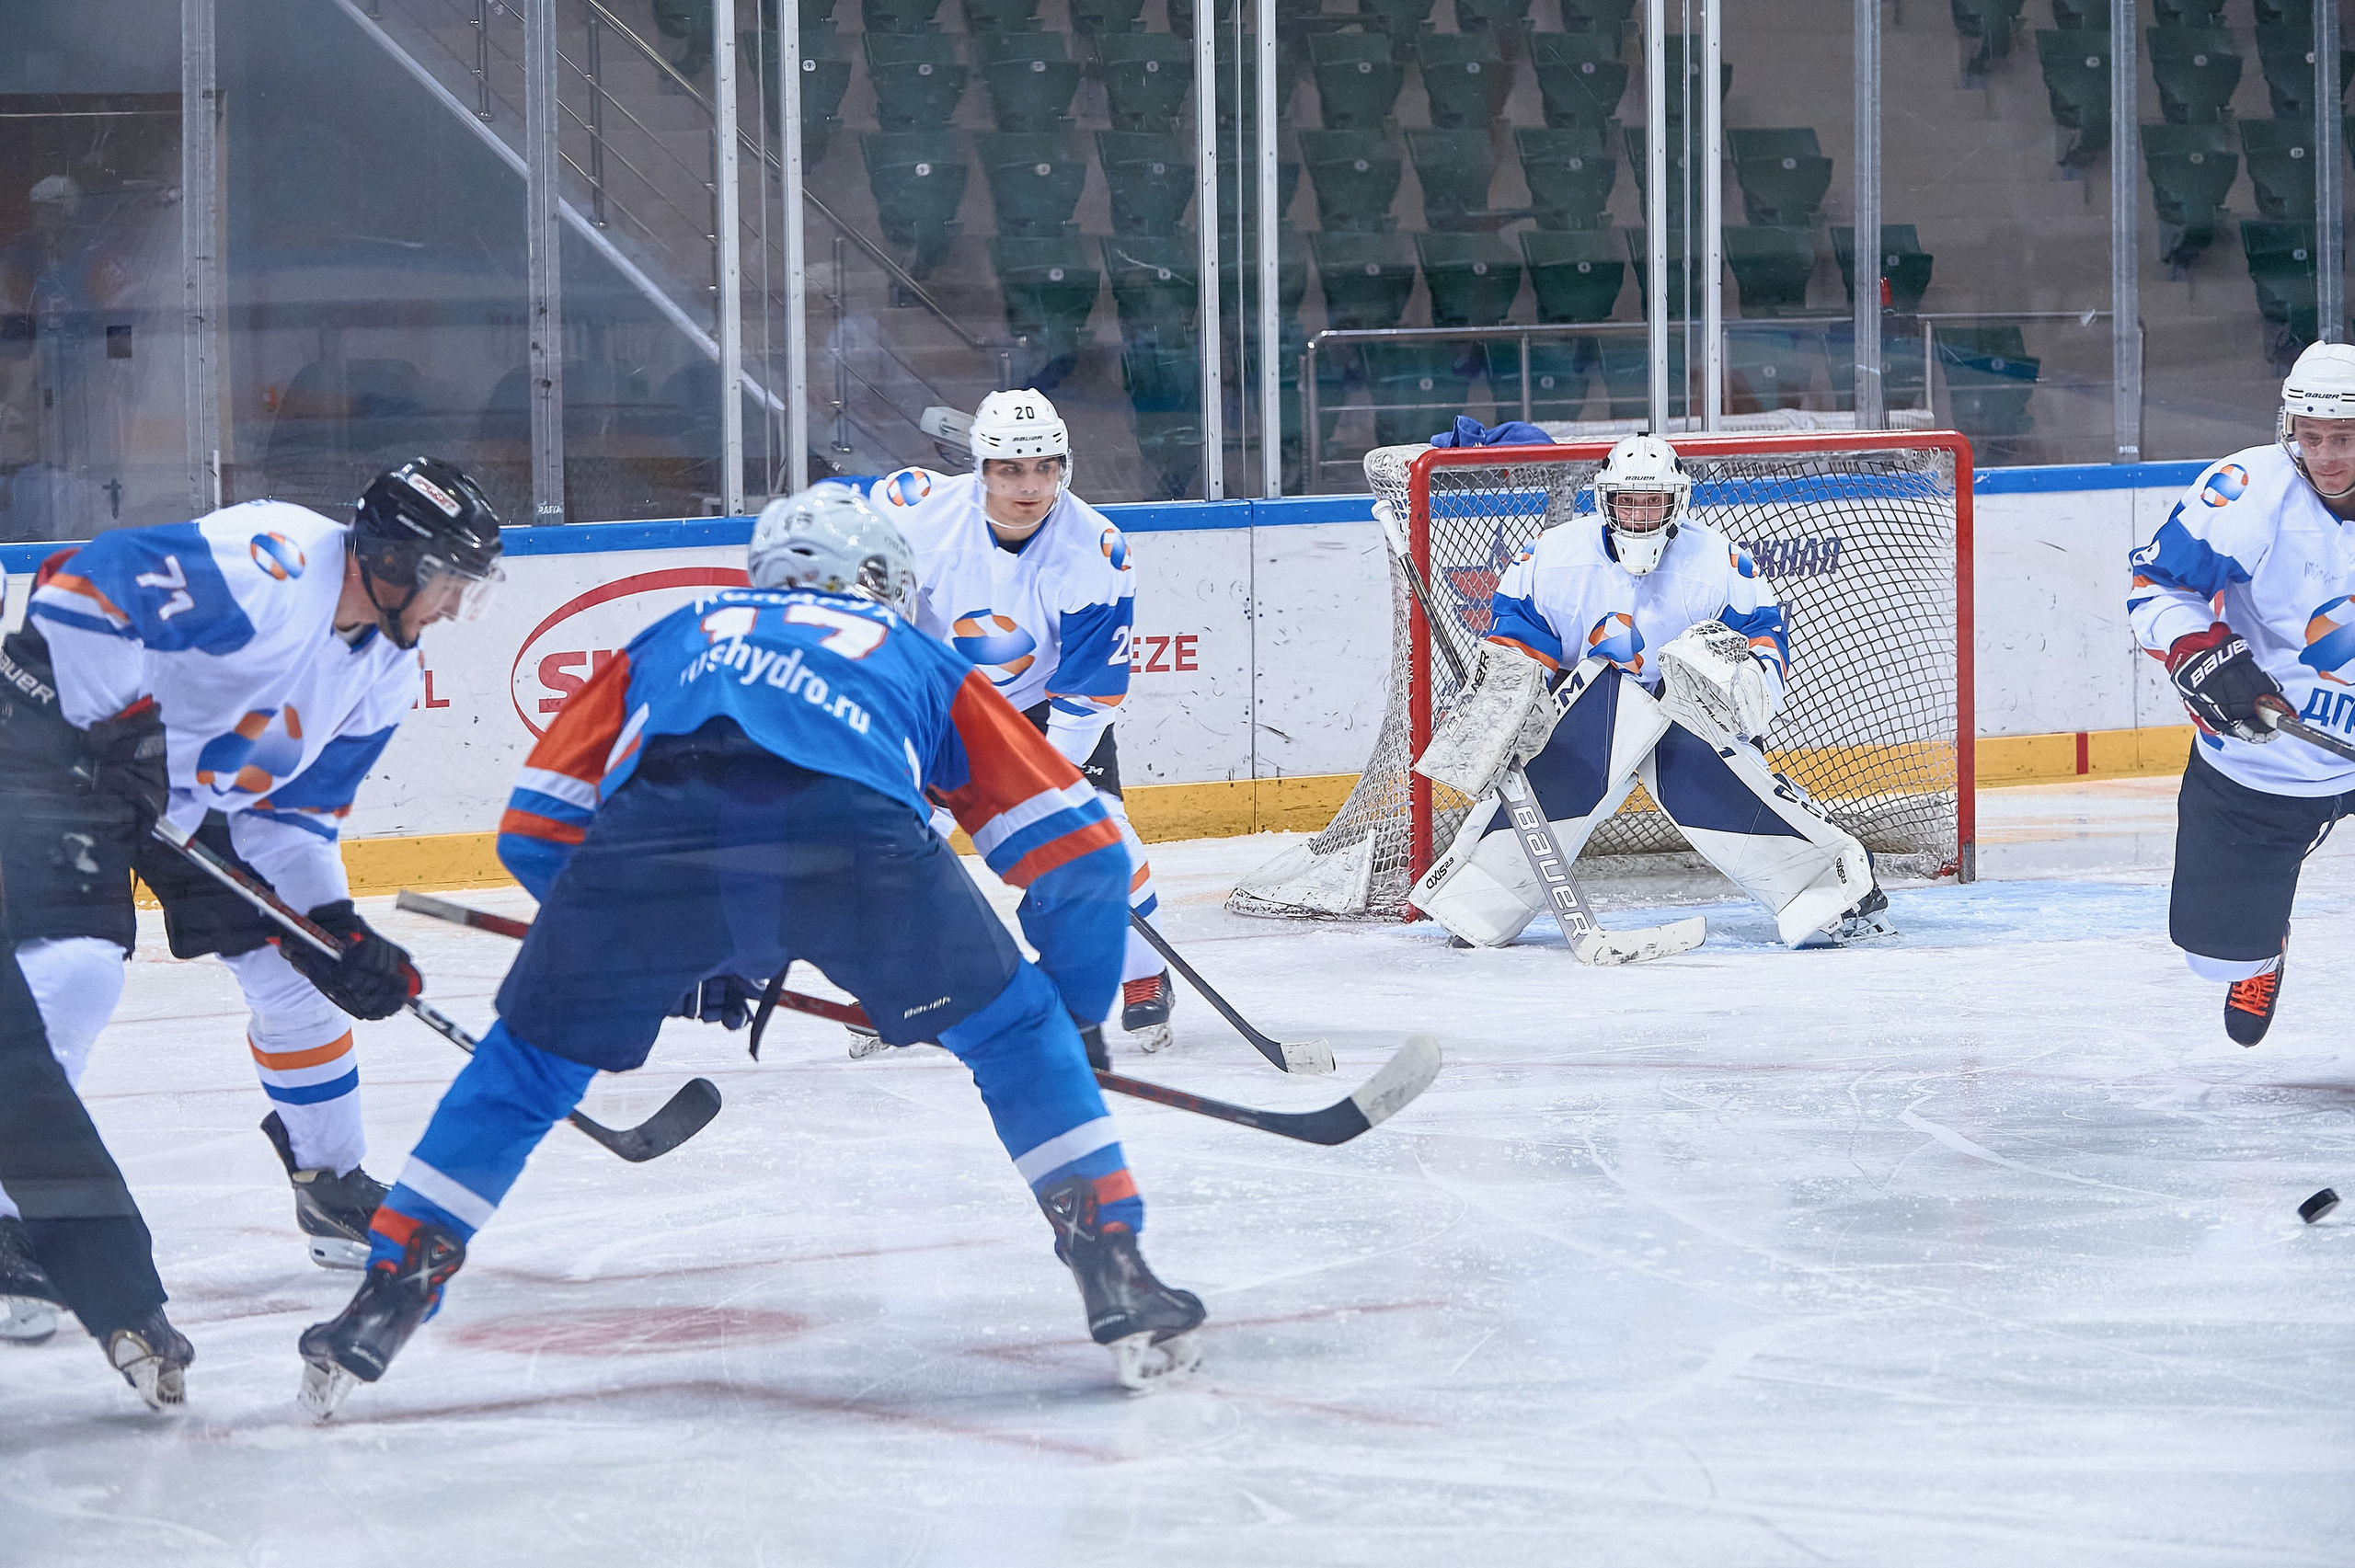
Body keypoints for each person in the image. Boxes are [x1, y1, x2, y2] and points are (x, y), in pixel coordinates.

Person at [294, 486, 1204, 1422]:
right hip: (855, 841)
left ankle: (385, 1297)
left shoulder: (681, 629)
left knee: (523, 1069)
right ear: (881, 584)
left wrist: (678, 949)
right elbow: (1082, 854)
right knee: (1017, 1038)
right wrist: (1074, 1008)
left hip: (655, 837)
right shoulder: (911, 652)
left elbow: (535, 831)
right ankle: (1117, 1273)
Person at [0, 458, 504, 1407]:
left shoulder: (385, 671)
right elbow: (81, 586)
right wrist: (117, 729)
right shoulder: (273, 565)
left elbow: (292, 822)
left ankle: (330, 1178)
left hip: (171, 795)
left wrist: (336, 928)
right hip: (50, 750)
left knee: (296, 972)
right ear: (393, 563)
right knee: (74, 969)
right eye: (447, 581)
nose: (450, 605)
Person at [1408, 433, 1897, 950]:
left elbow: (1763, 649)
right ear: (1606, 498)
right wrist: (1506, 710)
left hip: (1685, 716)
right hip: (1583, 711)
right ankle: (1476, 900)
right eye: (1628, 499)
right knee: (1572, 750)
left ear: (1676, 500)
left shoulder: (1720, 563)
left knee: (1717, 774)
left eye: (1653, 500)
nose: (1640, 512)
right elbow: (1516, 647)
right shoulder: (1550, 557)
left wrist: (1736, 688)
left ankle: (1832, 894)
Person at [869, 389, 1176, 1050]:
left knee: (1102, 839)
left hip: (1042, 714)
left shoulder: (1095, 550)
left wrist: (1047, 784)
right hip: (943, 707)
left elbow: (1089, 689)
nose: (1030, 485)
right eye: (1010, 469)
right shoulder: (919, 517)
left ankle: (1146, 976)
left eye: (1045, 466)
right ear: (978, 468)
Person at [2127, 341, 2355, 1045]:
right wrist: (2202, 654)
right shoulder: (2248, 491)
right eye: (2310, 436)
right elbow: (2158, 585)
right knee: (2216, 952)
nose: (2324, 455)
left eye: (2343, 438)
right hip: (2268, 751)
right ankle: (2262, 946)